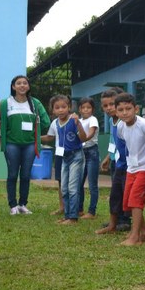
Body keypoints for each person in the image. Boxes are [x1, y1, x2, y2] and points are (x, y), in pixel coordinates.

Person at [0, 75, 51, 215]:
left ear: (28, 86)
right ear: (13, 87)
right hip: (11, 144)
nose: (22, 85)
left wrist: (34, 131)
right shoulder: (6, 103)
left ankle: (22, 204)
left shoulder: (35, 103)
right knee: (12, 174)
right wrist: (6, 130)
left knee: (25, 175)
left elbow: (46, 122)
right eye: (19, 83)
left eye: (25, 83)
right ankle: (12, 205)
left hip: (30, 144)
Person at [115, 92, 145, 246]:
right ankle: (144, 232)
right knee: (129, 202)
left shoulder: (144, 125)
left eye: (128, 108)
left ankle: (135, 236)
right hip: (131, 168)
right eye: (121, 110)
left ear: (136, 109)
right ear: (116, 111)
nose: (125, 113)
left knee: (135, 201)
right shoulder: (120, 126)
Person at [43, 95, 87, 224]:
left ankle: (73, 217)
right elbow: (50, 137)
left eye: (64, 107)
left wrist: (78, 124)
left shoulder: (73, 121)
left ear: (69, 107)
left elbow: (83, 138)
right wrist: (35, 137)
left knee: (73, 187)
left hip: (76, 156)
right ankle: (67, 215)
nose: (61, 110)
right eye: (57, 108)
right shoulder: (55, 122)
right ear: (53, 110)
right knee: (64, 187)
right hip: (63, 157)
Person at [97, 88, 132, 234]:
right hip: (115, 161)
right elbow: (113, 142)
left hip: (125, 163)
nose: (109, 108)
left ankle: (125, 220)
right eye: (105, 106)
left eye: (112, 104)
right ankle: (116, 218)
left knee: (125, 192)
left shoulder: (124, 122)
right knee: (116, 191)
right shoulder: (112, 121)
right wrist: (107, 157)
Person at [77, 97, 100, 219]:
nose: (86, 110)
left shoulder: (93, 120)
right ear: (79, 109)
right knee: (79, 183)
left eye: (89, 107)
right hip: (81, 152)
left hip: (92, 152)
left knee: (92, 184)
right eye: (83, 107)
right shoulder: (78, 121)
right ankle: (79, 209)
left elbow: (89, 134)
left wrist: (84, 138)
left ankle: (92, 211)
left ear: (93, 109)